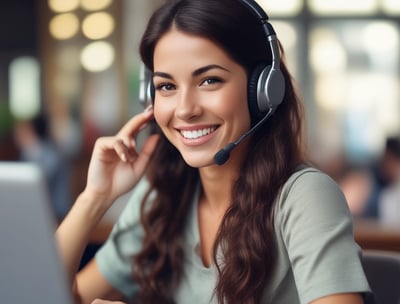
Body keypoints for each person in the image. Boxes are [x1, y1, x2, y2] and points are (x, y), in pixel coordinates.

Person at [56, 0, 372, 303]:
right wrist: (94, 199)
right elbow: (51, 296)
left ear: (263, 89)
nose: (185, 109)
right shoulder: (162, 197)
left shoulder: (303, 196)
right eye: (166, 86)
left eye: (209, 80)